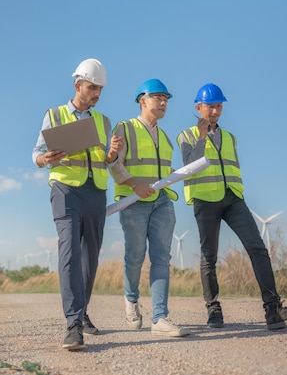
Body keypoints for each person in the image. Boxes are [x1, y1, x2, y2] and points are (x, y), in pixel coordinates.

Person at [177, 82, 287, 330]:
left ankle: (273, 310)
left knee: (258, 248)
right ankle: (213, 310)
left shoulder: (230, 137)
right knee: (209, 257)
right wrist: (202, 135)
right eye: (210, 106)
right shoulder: (186, 135)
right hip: (205, 199)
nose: (215, 111)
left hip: (233, 198)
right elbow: (189, 164)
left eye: (219, 106)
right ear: (198, 107)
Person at [32, 58, 124, 350]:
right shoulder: (55, 114)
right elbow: (36, 154)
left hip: (95, 191)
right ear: (78, 86)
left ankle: (82, 314)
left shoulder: (103, 121)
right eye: (92, 87)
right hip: (65, 190)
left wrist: (111, 154)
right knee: (70, 251)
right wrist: (45, 159)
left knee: (90, 256)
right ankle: (73, 324)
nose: (97, 93)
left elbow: (106, 162)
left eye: (100, 89)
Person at [110, 79, 190, 337]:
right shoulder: (125, 128)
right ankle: (131, 300)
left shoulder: (165, 138)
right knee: (134, 257)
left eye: (166, 98)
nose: (163, 102)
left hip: (162, 201)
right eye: (158, 97)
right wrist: (134, 184)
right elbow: (114, 163)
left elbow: (161, 170)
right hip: (133, 202)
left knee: (161, 257)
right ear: (142, 101)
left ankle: (159, 317)